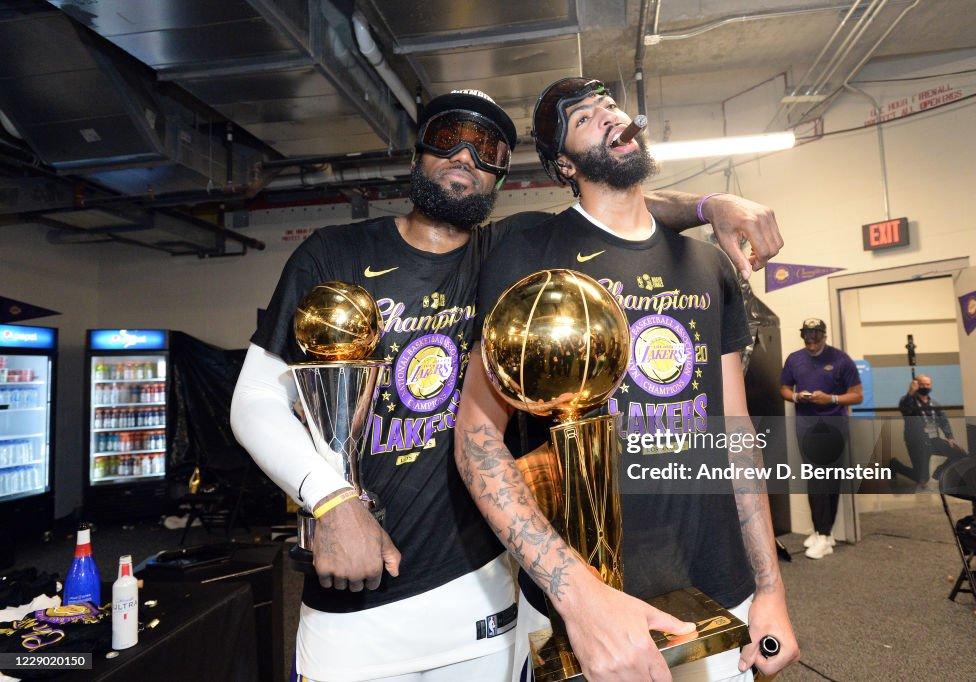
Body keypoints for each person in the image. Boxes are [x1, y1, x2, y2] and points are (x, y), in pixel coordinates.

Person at [231, 87, 787, 681]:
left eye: (489, 147)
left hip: (484, 599)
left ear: (502, 174)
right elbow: (256, 401)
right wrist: (330, 500)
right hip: (356, 598)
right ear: (418, 149)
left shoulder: (508, 251)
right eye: (448, 138)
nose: (466, 157)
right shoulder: (334, 252)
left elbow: (618, 213)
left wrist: (712, 206)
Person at [455, 77, 798, 682]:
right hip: (590, 609)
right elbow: (477, 438)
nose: (610, 116)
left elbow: (736, 431)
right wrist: (579, 598)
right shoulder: (525, 249)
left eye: (610, 105)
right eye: (584, 117)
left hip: (720, 587)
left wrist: (770, 588)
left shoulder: (707, 262)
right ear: (563, 163)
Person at [779, 318, 862, 560]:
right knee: (814, 480)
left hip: (834, 427)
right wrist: (796, 396)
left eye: (816, 340)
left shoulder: (840, 359)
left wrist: (832, 399)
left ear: (824, 336)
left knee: (828, 480)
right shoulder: (795, 359)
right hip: (806, 427)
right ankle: (820, 531)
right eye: (808, 339)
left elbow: (857, 395)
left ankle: (825, 535)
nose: (812, 344)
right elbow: (783, 388)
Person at [892, 374, 966, 487]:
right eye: (922, 384)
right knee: (922, 479)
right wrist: (910, 392)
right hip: (917, 443)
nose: (925, 387)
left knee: (960, 453)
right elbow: (904, 408)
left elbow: (943, 421)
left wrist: (950, 437)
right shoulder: (909, 402)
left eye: (928, 384)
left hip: (933, 440)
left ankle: (939, 472)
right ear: (916, 386)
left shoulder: (934, 403)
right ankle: (895, 465)